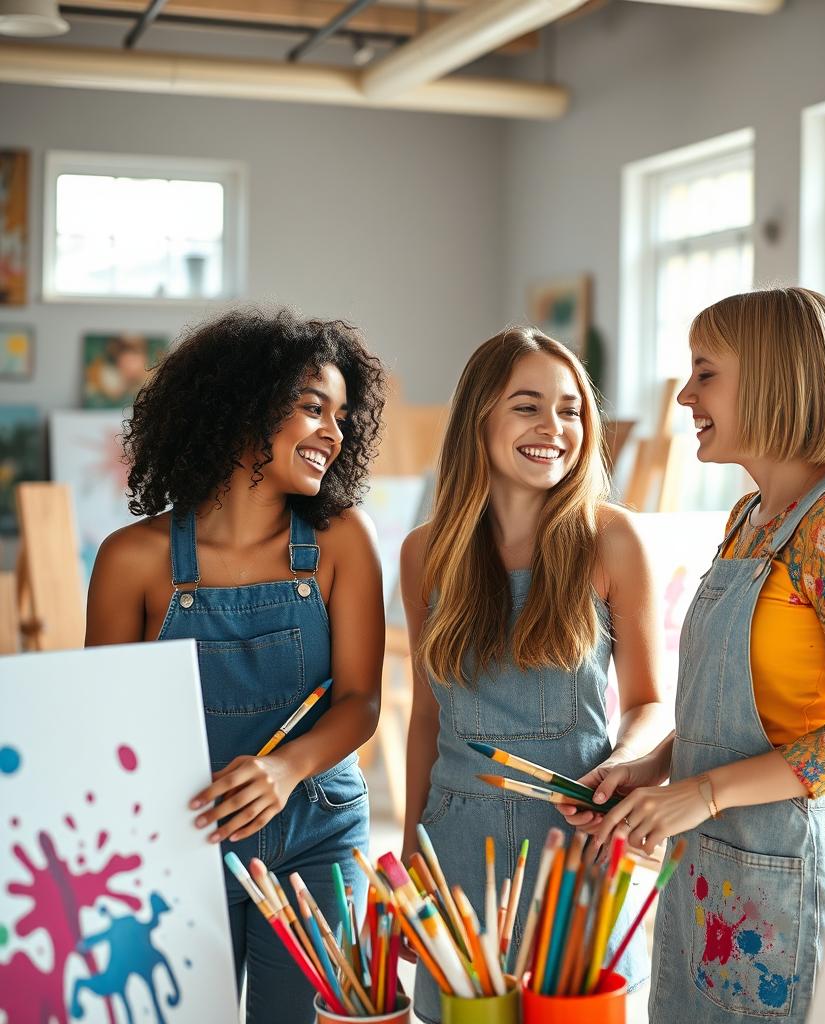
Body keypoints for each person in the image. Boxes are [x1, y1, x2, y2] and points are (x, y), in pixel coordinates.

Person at [563, 287, 825, 1023]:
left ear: (775, 378)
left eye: (705, 371)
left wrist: (706, 792)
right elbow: (739, 709)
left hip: (784, 871)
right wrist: (651, 770)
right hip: (706, 865)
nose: (685, 394)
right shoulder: (748, 520)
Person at [85, 308, 387, 1024]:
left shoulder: (345, 540)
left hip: (319, 832)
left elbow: (361, 703)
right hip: (181, 836)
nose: (335, 432)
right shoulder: (132, 561)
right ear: (244, 407)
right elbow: (107, 730)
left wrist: (285, 769)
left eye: (343, 415)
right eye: (314, 407)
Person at [400, 326, 665, 1022]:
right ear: (480, 419)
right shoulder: (424, 554)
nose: (556, 426)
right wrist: (408, 860)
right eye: (528, 406)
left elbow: (649, 705)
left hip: (576, 843)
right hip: (455, 844)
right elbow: (427, 719)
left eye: (572, 408)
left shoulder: (613, 538)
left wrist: (625, 769)